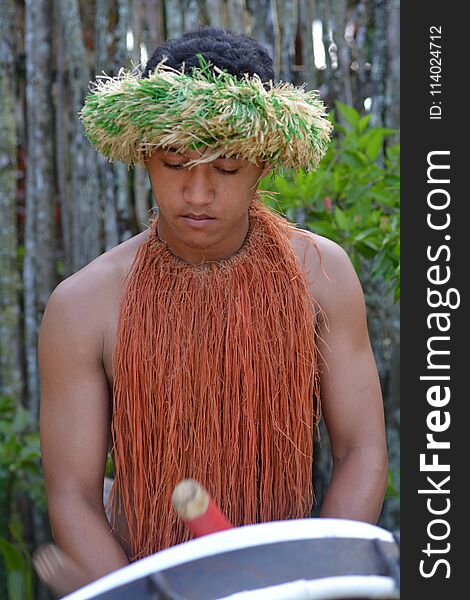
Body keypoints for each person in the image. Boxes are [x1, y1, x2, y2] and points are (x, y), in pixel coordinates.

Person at [35, 26, 388, 595]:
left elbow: (362, 450)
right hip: (144, 575)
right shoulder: (84, 306)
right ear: (144, 154)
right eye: (175, 164)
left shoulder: (322, 278)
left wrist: (305, 577)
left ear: (264, 161)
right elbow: (73, 495)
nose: (197, 195)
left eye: (224, 169)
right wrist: (141, 591)